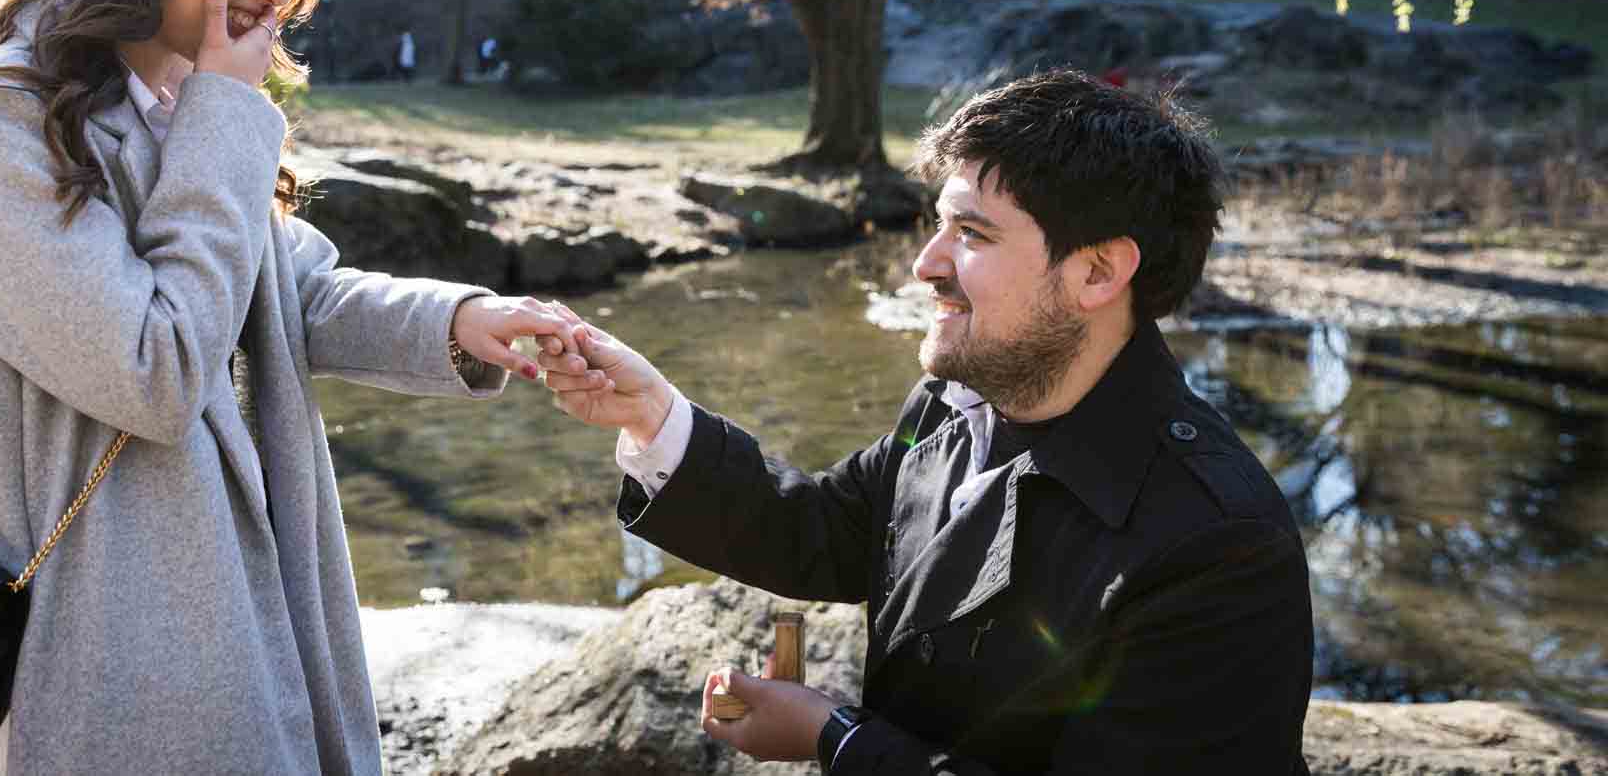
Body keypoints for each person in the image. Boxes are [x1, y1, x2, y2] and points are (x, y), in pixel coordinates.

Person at [0, 0, 582, 774]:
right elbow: (154, 371)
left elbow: (289, 297)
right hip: (97, 648)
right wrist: (223, 116)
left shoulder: (181, 103)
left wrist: (464, 318)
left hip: (243, 600)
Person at [537, 70, 1315, 774]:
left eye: (972, 234)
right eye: (939, 224)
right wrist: (653, 416)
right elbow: (824, 530)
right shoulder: (952, 401)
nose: (925, 263)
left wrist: (832, 736)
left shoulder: (1221, 549)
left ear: (1099, 272)